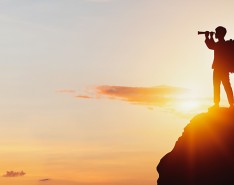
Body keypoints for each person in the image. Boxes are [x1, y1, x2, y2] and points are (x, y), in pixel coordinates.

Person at [205, 26, 234, 109]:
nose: (215, 34)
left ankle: (223, 104)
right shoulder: (223, 44)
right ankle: (229, 104)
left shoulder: (221, 44)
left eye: (216, 32)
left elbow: (211, 46)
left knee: (223, 85)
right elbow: (212, 45)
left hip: (220, 69)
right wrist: (209, 37)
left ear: (220, 34)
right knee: (223, 85)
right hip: (221, 68)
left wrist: (208, 37)